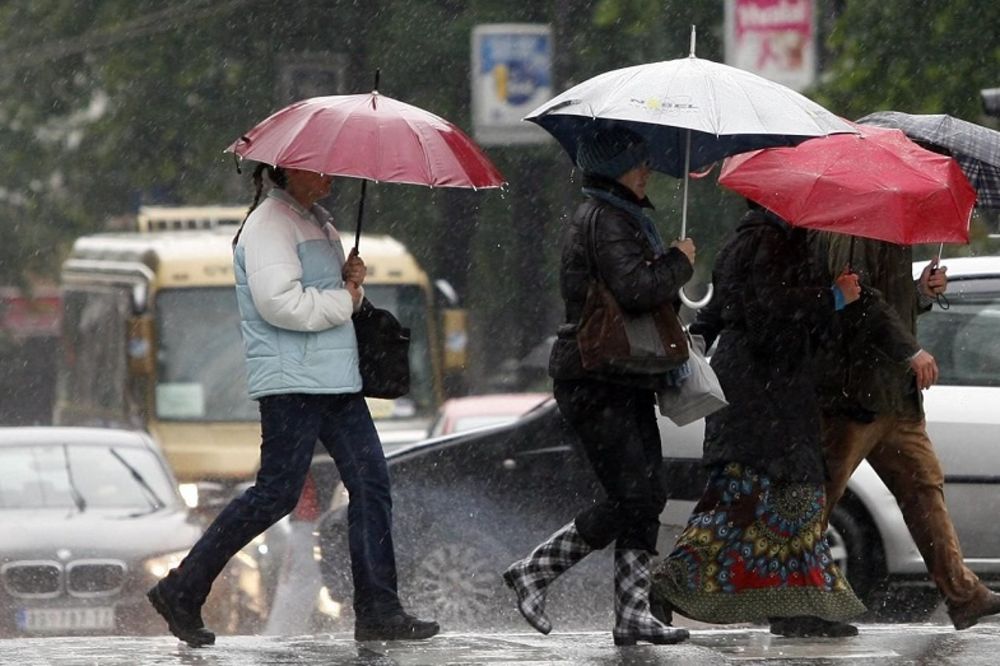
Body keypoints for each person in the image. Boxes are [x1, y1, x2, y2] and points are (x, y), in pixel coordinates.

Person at [147, 163, 439, 646]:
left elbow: (328, 297)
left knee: (371, 484)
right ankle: (182, 588)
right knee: (275, 494)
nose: (330, 176)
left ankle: (378, 609)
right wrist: (343, 299)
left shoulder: (317, 221)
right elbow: (279, 304)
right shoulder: (268, 225)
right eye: (318, 169)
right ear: (287, 171)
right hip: (293, 383)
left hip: (336, 380)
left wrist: (352, 283)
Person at [502, 125, 695, 646]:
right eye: (637, 162)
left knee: (647, 493)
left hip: (622, 376)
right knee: (633, 494)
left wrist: (669, 268)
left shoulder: (620, 218)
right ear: (614, 168)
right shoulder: (607, 220)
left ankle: (631, 613)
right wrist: (679, 261)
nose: (646, 169)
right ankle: (534, 571)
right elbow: (635, 290)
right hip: (594, 378)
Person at [650, 200, 867, 638]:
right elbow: (772, 319)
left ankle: (798, 607)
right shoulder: (771, 244)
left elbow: (721, 315)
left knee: (795, 503)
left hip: (763, 394)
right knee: (743, 503)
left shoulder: (745, 242)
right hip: (764, 398)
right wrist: (834, 298)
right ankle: (668, 584)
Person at [816, 234, 1000, 631]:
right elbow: (858, 300)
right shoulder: (854, 228)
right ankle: (795, 599)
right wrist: (910, 350)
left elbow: (888, 303)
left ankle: (963, 595)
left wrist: (919, 292)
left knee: (923, 488)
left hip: (895, 397)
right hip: (856, 396)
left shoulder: (888, 231)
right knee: (818, 501)